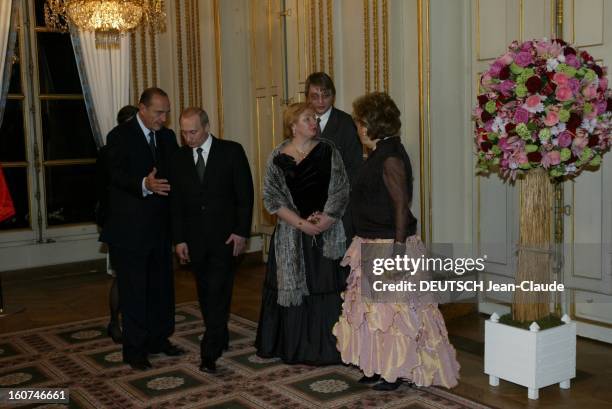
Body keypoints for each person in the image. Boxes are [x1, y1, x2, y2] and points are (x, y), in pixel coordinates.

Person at [332, 92, 460, 390]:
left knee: (395, 314)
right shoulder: (380, 152)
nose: (359, 128)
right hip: (371, 241)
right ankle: (378, 366)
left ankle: (396, 371)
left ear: (373, 124)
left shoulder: (389, 157)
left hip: (389, 244)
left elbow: (401, 206)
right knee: (374, 314)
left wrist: (398, 253)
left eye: (361, 123)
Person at [255, 102, 349, 365]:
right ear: (293, 125)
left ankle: (328, 348)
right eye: (308, 119)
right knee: (291, 289)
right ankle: (294, 347)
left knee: (325, 287)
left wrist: (325, 220)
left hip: (324, 235)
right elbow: (271, 199)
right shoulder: (278, 155)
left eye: (316, 120)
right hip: (291, 236)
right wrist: (301, 224)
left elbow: (340, 190)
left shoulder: (329, 151)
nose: (314, 123)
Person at [100, 88, 183, 371]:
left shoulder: (168, 137)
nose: (163, 118)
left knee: (161, 288)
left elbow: (175, 174)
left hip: (160, 228)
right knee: (134, 291)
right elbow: (115, 176)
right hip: (129, 229)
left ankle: (160, 339)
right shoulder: (119, 136)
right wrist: (144, 184)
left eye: (166, 112)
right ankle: (135, 350)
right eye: (159, 112)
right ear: (142, 108)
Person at [170, 107, 254, 374]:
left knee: (219, 290)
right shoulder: (179, 158)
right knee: (205, 292)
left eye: (193, 131)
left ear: (206, 127)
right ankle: (220, 335)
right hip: (195, 240)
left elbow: (245, 196)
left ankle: (210, 351)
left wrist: (241, 232)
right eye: (183, 132)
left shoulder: (231, 151)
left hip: (226, 238)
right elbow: (176, 205)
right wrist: (179, 240)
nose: (188, 137)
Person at [96, 104, 139, 344]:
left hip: (138, 221)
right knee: (122, 276)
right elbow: (104, 190)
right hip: (118, 221)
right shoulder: (108, 152)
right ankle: (115, 321)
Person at [305, 72, 363, 240]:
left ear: (333, 96)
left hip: (340, 207)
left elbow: (354, 167)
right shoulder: (301, 121)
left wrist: (336, 201)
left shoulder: (347, 123)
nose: (321, 102)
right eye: (315, 96)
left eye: (326, 96)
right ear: (307, 97)